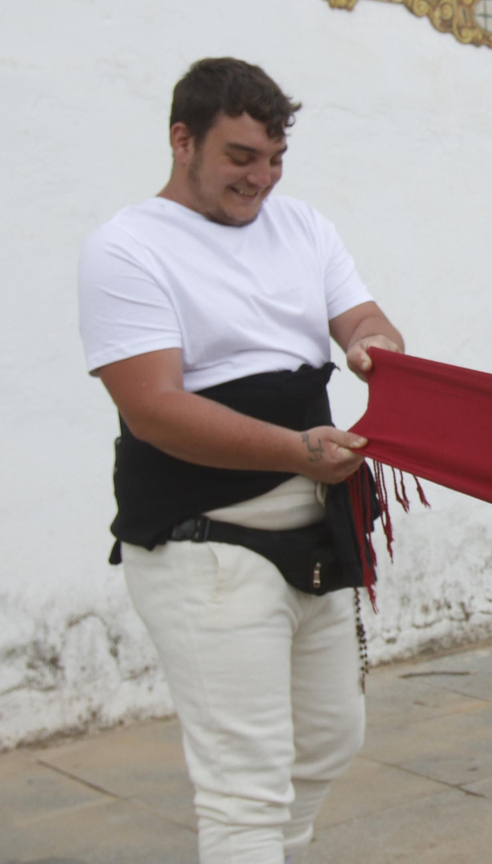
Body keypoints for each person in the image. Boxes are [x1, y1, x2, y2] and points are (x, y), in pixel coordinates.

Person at [78, 58, 405, 864]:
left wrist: (373, 347)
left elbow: (363, 317)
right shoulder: (126, 247)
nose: (260, 177)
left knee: (331, 738)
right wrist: (296, 449)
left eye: (274, 158)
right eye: (239, 157)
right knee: (245, 784)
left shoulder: (303, 227)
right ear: (181, 140)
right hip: (205, 543)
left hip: (316, 532)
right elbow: (154, 409)